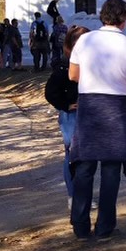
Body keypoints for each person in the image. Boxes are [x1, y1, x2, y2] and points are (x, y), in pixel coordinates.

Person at [68, 0, 126, 241]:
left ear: (103, 16)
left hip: (90, 104)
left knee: (84, 167)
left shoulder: (85, 39)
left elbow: (73, 75)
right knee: (111, 169)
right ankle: (104, 227)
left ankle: (80, 226)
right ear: (124, 20)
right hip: (116, 105)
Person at [44, 26, 89, 210]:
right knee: (72, 156)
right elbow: (50, 92)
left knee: (87, 158)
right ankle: (73, 196)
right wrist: (66, 104)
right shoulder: (64, 65)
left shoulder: (92, 63)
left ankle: (83, 196)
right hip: (71, 116)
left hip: (89, 114)